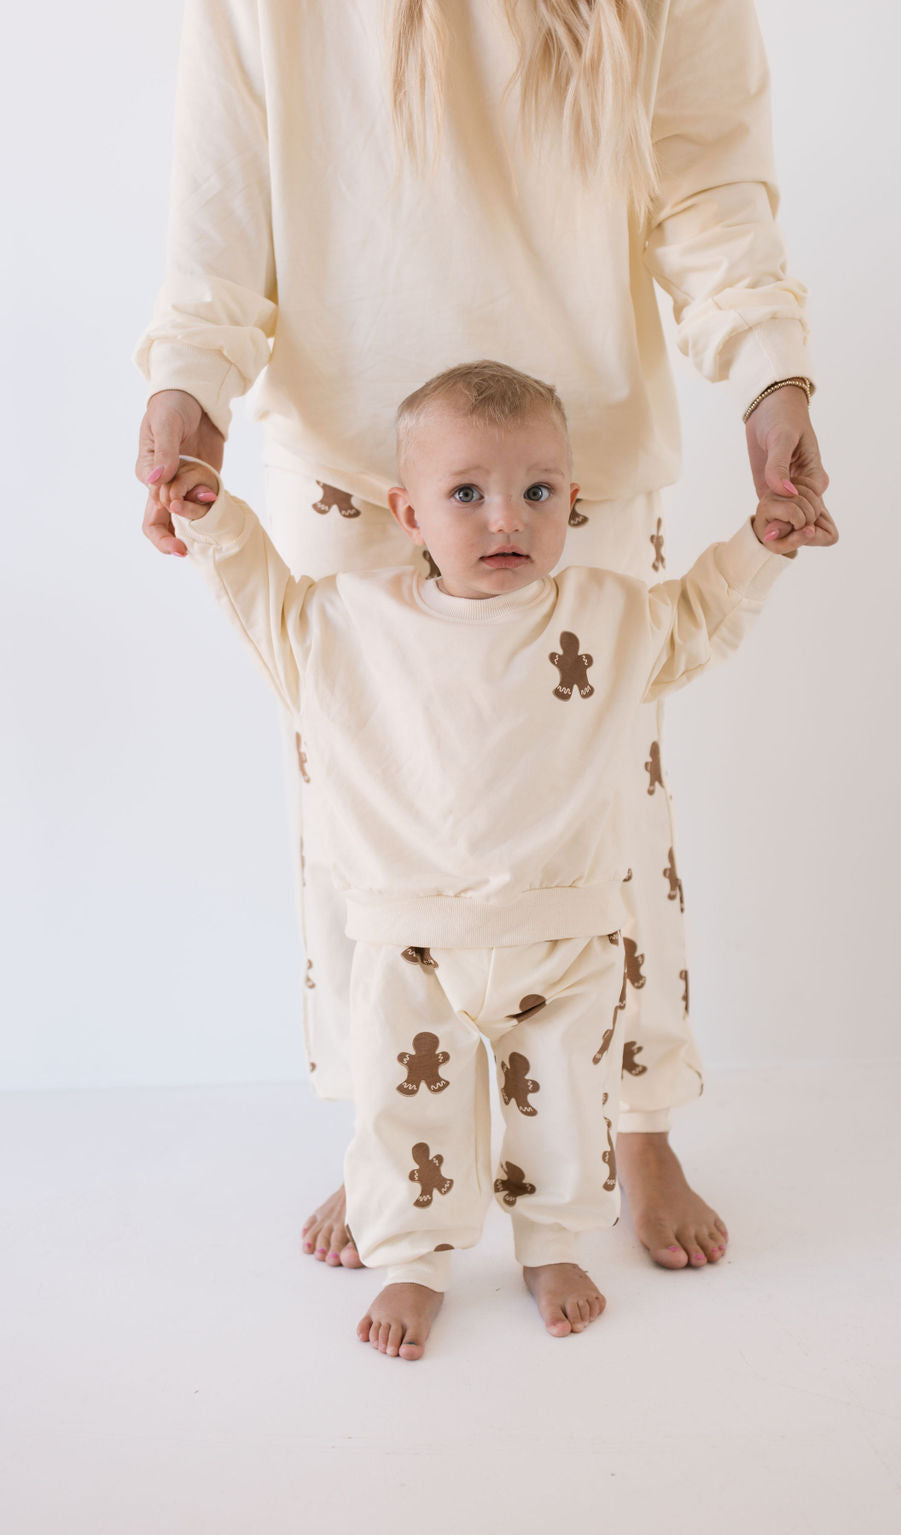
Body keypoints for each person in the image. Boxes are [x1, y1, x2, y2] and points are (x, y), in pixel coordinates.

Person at [134, 0, 831, 1274]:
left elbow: (708, 172)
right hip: (358, 454)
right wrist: (190, 376)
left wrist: (771, 370)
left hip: (575, 458)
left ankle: (634, 1122)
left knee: (607, 810)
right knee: (365, 816)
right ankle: (392, 1142)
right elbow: (223, 189)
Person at [157, 359, 838, 1358]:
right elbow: (262, 597)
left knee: (564, 1108)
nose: (505, 517)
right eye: (466, 492)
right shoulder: (354, 620)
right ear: (408, 510)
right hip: (410, 939)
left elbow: (694, 618)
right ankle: (414, 1261)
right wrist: (214, 518)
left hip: (562, 936)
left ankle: (552, 1243)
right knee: (405, 1110)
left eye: (537, 491)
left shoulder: (602, 616)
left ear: (573, 498)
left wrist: (760, 544)